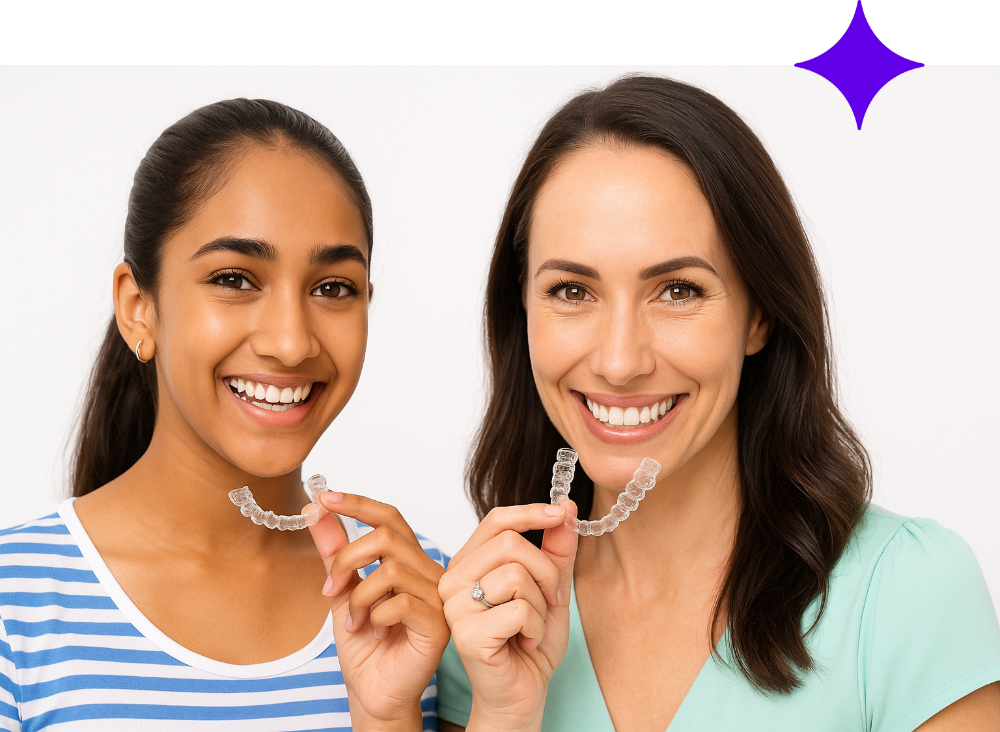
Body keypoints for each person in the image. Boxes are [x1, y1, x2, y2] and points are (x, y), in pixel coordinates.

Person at [435, 76, 1000, 731]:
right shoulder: (489, 617)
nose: (619, 361)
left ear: (760, 314)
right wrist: (503, 713)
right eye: (572, 291)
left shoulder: (907, 594)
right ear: (522, 312)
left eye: (678, 290)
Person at [0, 99, 449, 731]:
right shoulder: (14, 602)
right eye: (235, 279)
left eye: (333, 288)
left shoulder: (428, 596)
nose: (291, 343)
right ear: (138, 308)